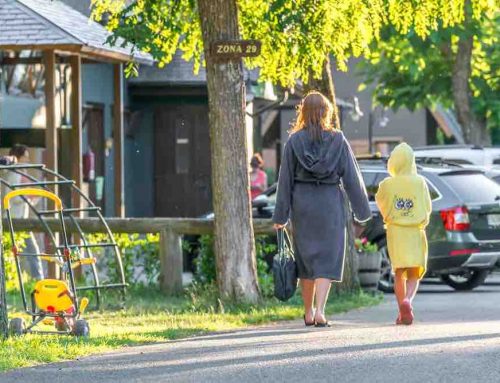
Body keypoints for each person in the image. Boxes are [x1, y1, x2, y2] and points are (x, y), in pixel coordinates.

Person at [272, 91, 371, 327]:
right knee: (326, 258)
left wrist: (280, 216)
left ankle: (307, 312)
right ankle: (320, 311)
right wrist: (362, 211)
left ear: (303, 112)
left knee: (306, 259)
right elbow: (352, 178)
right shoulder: (338, 140)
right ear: (327, 112)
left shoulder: (294, 142)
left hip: (303, 204)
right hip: (329, 203)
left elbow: (285, 180)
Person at [375, 143, 432, 325]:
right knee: (414, 272)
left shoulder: (387, 184)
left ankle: (401, 309)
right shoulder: (420, 182)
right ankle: (408, 299)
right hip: (415, 231)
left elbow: (380, 202)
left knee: (399, 271)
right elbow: (427, 207)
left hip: (396, 231)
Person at [1, 144, 44, 280]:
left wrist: (33, 198)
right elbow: (12, 196)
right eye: (25, 157)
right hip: (15, 220)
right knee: (31, 250)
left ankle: (34, 279)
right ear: (18, 158)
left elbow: (21, 197)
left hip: (19, 219)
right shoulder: (14, 173)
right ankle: (38, 279)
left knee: (16, 252)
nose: (27, 160)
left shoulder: (19, 173)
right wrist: (28, 197)